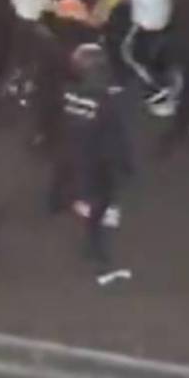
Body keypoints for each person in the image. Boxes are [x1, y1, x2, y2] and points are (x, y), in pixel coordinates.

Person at [62, 43, 131, 268]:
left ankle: (76, 204)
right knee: (100, 199)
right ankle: (94, 247)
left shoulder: (68, 93)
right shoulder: (105, 100)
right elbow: (114, 135)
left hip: (74, 153)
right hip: (98, 159)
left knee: (84, 190)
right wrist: (124, 162)